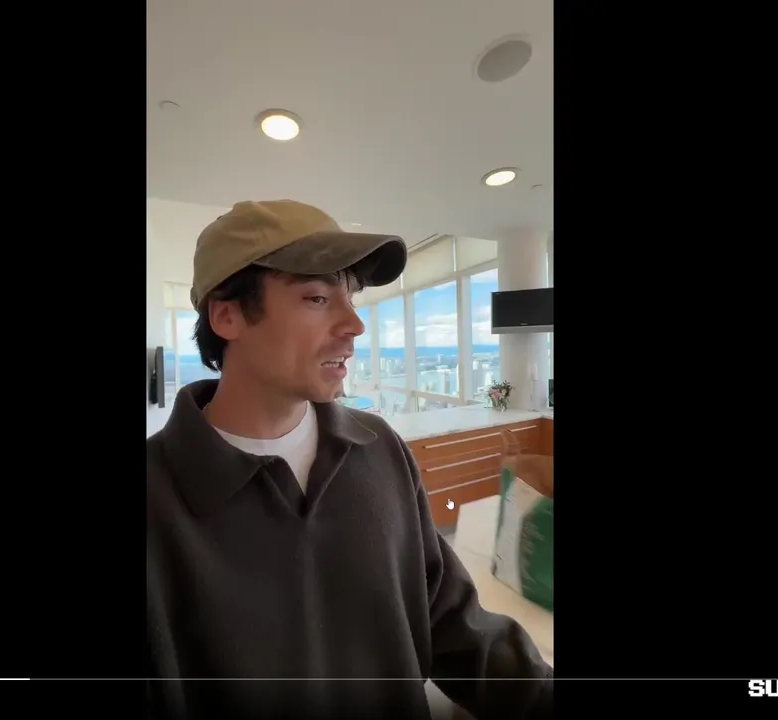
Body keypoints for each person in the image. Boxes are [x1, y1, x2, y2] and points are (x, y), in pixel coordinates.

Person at [146, 200, 554, 719]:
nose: (355, 324)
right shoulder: (159, 498)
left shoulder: (378, 447)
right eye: (317, 298)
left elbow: (452, 625)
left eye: (351, 298)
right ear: (227, 315)